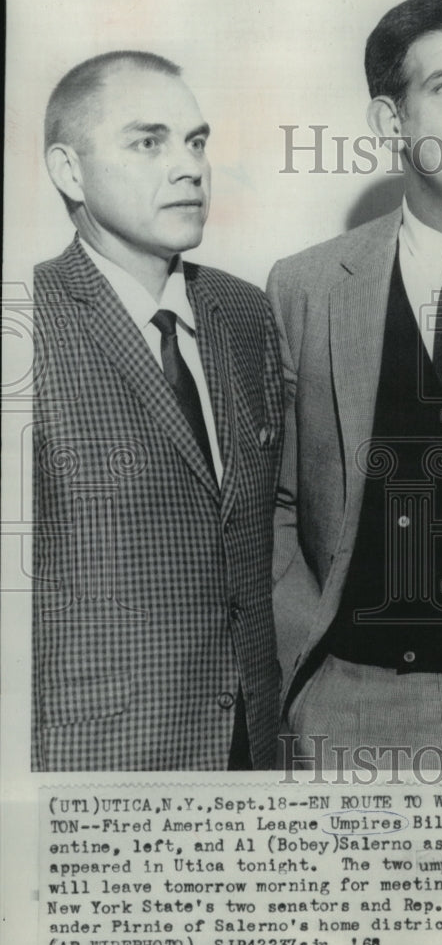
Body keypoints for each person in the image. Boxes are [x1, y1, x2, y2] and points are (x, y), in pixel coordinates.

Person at [269, 0, 442, 771]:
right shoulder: (308, 285)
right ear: (391, 122)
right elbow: (276, 503)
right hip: (345, 712)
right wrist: (303, 675)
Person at [32, 51, 283, 771]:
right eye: (150, 142)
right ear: (69, 171)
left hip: (253, 754)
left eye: (196, 141)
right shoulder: (29, 324)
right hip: (98, 762)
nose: (190, 168)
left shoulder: (243, 312)